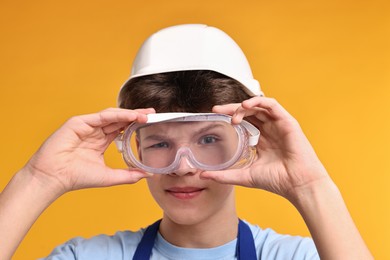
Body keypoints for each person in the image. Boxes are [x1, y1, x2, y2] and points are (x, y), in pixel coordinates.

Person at [0, 24, 373, 260]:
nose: (183, 166)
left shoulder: (300, 256)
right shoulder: (88, 256)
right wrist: (38, 180)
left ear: (248, 142)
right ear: (134, 150)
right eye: (160, 144)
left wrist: (311, 186)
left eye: (208, 138)